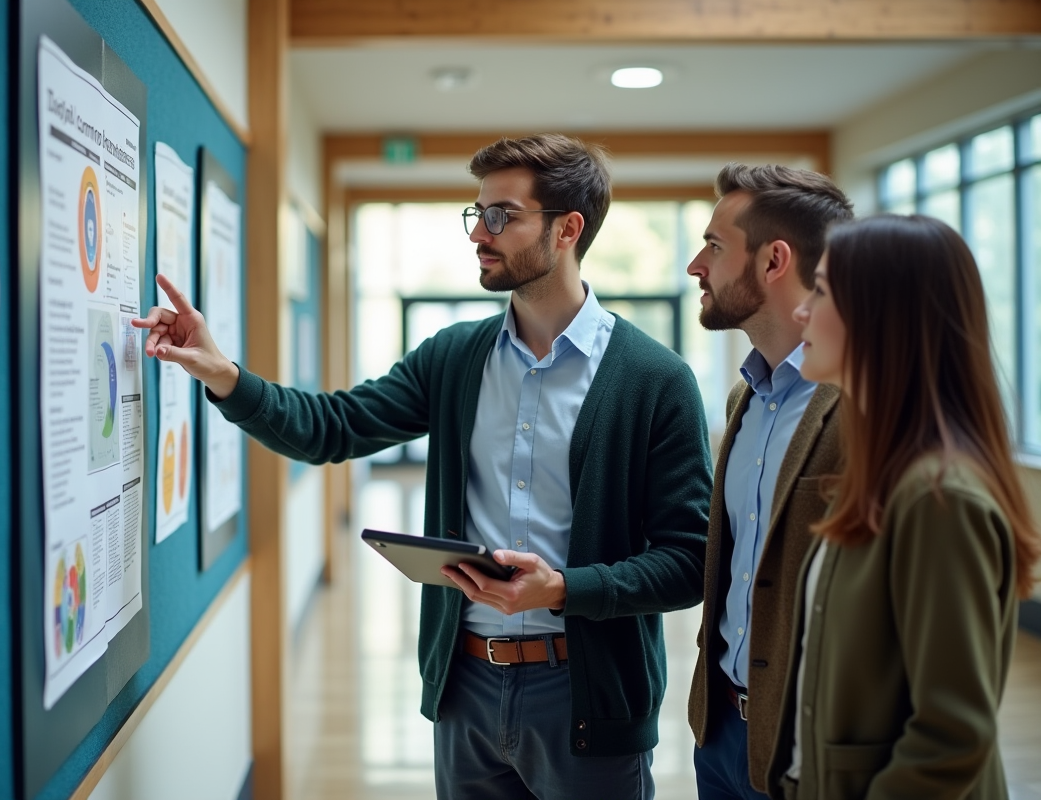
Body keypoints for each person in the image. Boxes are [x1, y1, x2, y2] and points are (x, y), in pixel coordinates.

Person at [133, 133, 713, 799]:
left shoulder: (656, 380)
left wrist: (562, 589)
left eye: (502, 216)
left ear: (567, 230)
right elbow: (334, 427)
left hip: (588, 699)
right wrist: (227, 375)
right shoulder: (455, 358)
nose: (480, 234)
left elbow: (688, 560)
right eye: (478, 214)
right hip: (463, 689)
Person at [766, 214, 1041, 800]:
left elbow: (950, 738)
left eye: (820, 291)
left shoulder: (939, 500)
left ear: (881, 317)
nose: (800, 311)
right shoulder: (883, 477)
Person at [685, 163, 854, 799]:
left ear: (774, 260)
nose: (696, 265)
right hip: (722, 730)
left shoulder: (863, 408)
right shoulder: (743, 400)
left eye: (715, 245)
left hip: (811, 751)